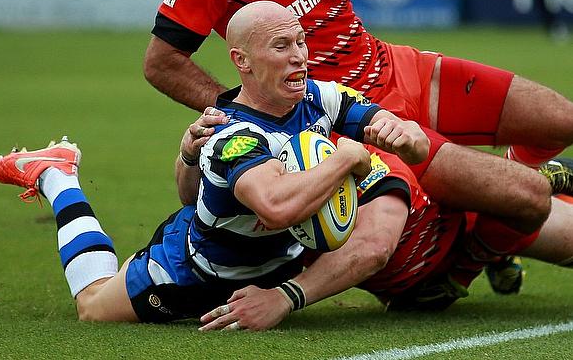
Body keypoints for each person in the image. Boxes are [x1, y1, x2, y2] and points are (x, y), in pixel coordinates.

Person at [0, 1, 429, 324]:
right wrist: (351, 154)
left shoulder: (321, 96)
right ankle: (58, 174)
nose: (299, 56)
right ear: (242, 61)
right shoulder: (233, 136)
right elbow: (277, 208)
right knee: (93, 307)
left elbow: (407, 139)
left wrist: (404, 137)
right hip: (195, 270)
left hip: (275, 261)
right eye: (280, 47)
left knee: (383, 191)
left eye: (299, 42)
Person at [143, 0, 573, 294]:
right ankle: (472, 262)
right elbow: (162, 62)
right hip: (346, 120)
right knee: (528, 196)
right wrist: (246, 113)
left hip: (398, 70)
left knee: (561, 120)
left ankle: (500, 234)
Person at [195, 141, 573, 331]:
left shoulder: (355, 151)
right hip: (422, 273)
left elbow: (374, 248)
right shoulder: (260, 197)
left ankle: (519, 179)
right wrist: (187, 156)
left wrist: (286, 297)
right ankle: (500, 236)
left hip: (465, 221)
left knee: (531, 201)